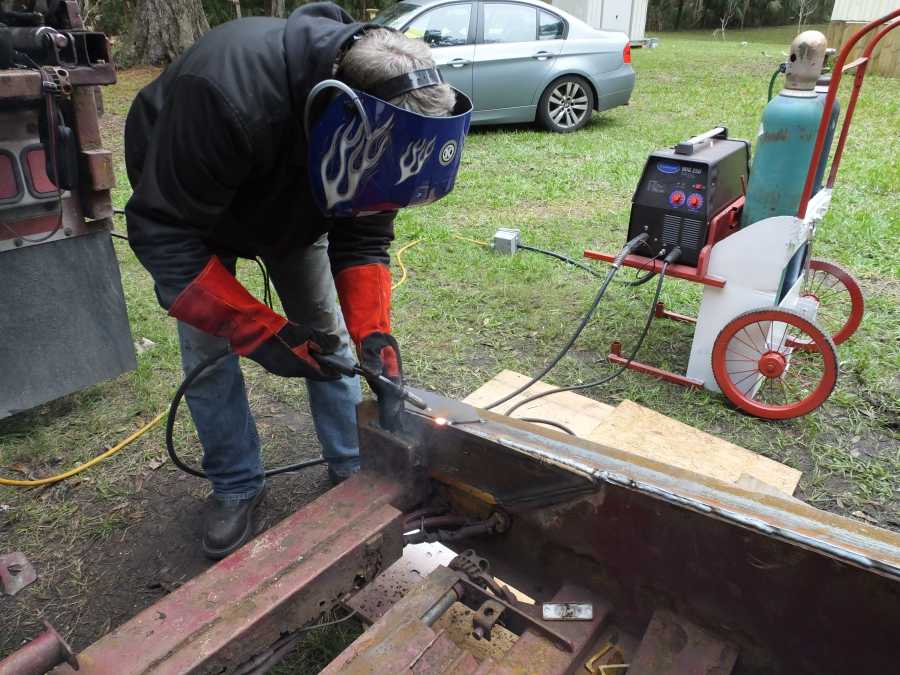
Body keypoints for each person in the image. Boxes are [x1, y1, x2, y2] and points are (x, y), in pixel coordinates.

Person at [124, 2, 471, 559]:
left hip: (296, 208)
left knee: (327, 337)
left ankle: (353, 465)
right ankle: (237, 485)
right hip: (195, 221)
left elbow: (363, 236)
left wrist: (375, 338)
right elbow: (163, 234)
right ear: (338, 113)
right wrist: (260, 333)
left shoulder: (382, 124)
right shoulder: (221, 93)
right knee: (209, 355)